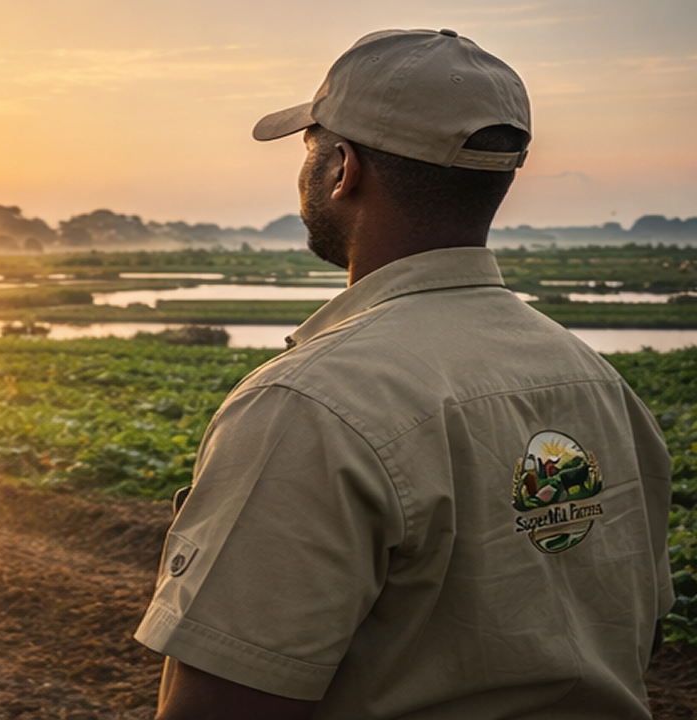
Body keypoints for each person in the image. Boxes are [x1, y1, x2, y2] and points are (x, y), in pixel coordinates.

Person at [134, 28, 673, 719]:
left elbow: (221, 704)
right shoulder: (600, 386)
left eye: (309, 147)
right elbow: (641, 634)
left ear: (343, 169)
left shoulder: (309, 405)